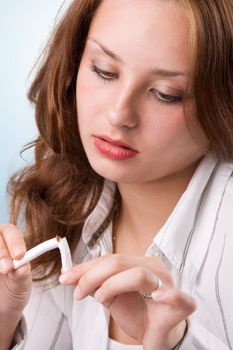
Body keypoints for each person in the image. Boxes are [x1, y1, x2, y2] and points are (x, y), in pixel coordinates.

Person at [0, 0, 233, 349]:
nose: (118, 114)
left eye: (166, 94)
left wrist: (174, 343)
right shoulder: (70, 203)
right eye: (104, 71)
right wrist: (4, 322)